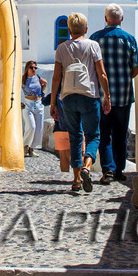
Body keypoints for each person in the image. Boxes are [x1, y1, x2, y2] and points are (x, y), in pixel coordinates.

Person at [50, 12, 110, 193]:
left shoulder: (62, 48)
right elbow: (101, 73)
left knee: (75, 137)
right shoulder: (93, 46)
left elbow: (56, 77)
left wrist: (53, 102)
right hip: (89, 96)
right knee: (93, 135)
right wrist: (106, 95)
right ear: (86, 29)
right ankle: (88, 166)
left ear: (69, 30)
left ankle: (76, 180)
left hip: (68, 97)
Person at [92, 4, 138, 183]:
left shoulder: (95, 39)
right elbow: (137, 67)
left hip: (101, 96)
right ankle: (119, 170)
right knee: (120, 134)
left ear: (106, 19)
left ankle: (108, 170)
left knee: (103, 134)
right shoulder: (129, 39)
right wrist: (126, 76)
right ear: (121, 19)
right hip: (123, 95)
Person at [20, 60, 48, 157]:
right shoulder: (23, 79)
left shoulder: (38, 78)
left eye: (35, 68)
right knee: (31, 126)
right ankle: (25, 146)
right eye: (31, 67)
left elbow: (40, 91)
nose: (33, 69)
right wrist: (19, 102)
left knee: (38, 128)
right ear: (27, 68)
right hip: (28, 105)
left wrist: (44, 85)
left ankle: (31, 149)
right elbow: (17, 91)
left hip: (39, 104)